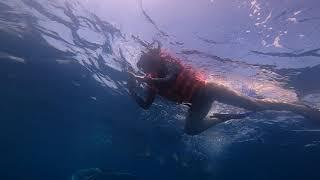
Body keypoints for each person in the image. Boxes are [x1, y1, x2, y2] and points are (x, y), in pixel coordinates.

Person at [127, 47, 320, 135]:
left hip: (209, 90)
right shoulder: (151, 81)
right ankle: (223, 118)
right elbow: (145, 106)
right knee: (191, 130)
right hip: (196, 104)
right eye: (145, 71)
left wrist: (146, 79)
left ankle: (300, 108)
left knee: (255, 106)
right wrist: (131, 91)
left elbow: (171, 77)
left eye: (147, 67)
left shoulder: (167, 63)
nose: (147, 72)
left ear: (153, 60)